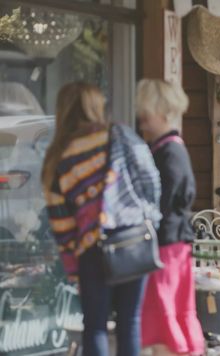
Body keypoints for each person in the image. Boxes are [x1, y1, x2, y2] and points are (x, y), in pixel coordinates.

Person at [42, 82, 161, 356]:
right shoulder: (120, 134)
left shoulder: (59, 157)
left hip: (92, 248)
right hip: (133, 239)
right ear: (95, 106)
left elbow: (63, 227)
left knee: (94, 327)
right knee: (130, 323)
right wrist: (148, 223)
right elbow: (151, 180)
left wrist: (74, 271)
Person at [136, 79, 204, 356]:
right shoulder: (169, 149)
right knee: (167, 318)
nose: (141, 121)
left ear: (162, 112)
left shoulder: (169, 152)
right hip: (172, 246)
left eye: (145, 114)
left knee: (165, 318)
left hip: (167, 248)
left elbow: (162, 205)